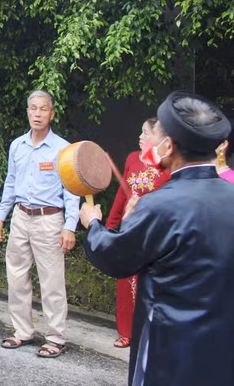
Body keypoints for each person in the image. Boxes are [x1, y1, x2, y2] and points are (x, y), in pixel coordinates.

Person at [81, 91, 234, 386]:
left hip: (170, 347)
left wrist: (94, 223)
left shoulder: (159, 205)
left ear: (170, 146)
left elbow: (114, 256)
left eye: (158, 136)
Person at [0, 90, 78, 358]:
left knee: (51, 280)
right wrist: (0, 216)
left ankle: (55, 337)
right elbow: (11, 182)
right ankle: (22, 332)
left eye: (43, 109)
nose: (38, 114)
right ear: (27, 111)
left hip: (50, 219)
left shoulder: (62, 148)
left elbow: (72, 190)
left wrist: (70, 226)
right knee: (16, 276)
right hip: (20, 216)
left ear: (52, 114)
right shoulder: (17, 145)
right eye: (33, 108)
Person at [105, 118, 168, 348]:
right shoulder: (132, 158)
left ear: (158, 138)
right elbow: (122, 197)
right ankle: (126, 331)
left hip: (152, 233)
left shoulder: (167, 165)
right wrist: (111, 226)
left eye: (145, 133)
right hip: (128, 229)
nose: (140, 137)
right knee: (125, 281)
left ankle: (150, 331)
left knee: (149, 283)